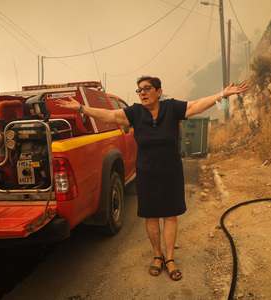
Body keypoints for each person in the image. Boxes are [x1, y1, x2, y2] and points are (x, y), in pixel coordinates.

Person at [56, 76, 248, 281]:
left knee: (171, 215)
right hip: (147, 172)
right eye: (139, 90)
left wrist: (220, 95)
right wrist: (81, 108)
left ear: (159, 91)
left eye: (147, 88)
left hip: (171, 172)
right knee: (151, 216)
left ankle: (170, 258)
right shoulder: (135, 113)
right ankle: (158, 255)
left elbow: (196, 106)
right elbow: (109, 115)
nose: (143, 93)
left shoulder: (172, 108)